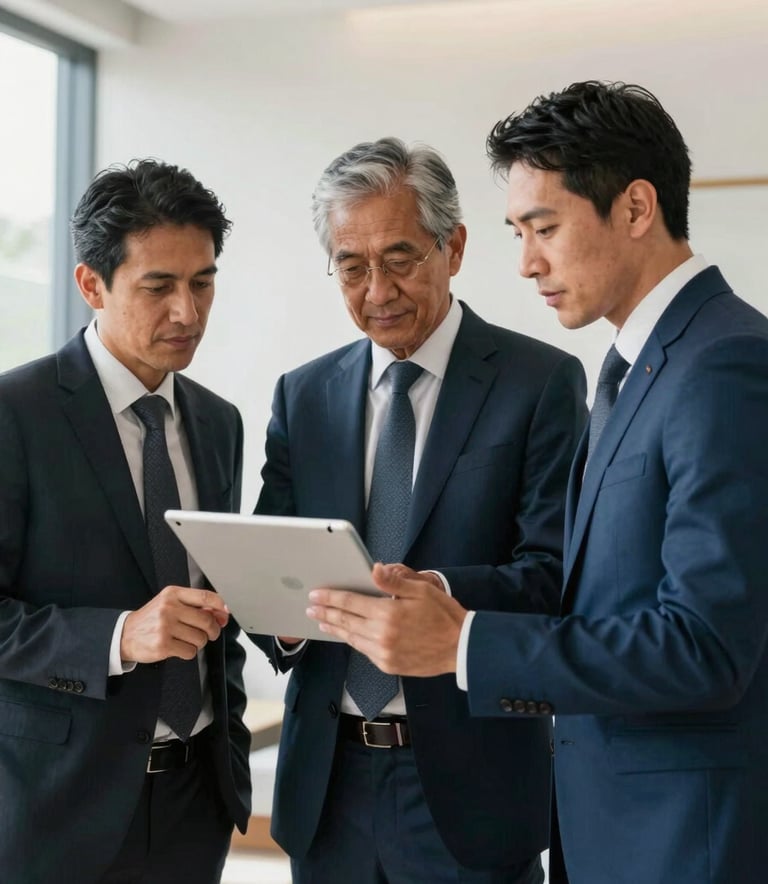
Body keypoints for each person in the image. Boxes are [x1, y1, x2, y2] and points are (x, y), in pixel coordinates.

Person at [307, 83, 768, 884]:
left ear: (634, 208)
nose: (525, 263)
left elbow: (704, 647)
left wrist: (465, 642)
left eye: (545, 228)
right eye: (519, 233)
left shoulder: (723, 363)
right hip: (607, 826)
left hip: (679, 839)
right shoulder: (637, 366)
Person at [249, 136, 587, 884]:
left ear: (454, 246)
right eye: (351, 266)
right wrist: (278, 615)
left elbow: (553, 574)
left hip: (469, 786)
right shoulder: (301, 396)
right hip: (327, 783)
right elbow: (273, 568)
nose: (377, 290)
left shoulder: (541, 384)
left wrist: (431, 595)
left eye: (399, 258)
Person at [0, 159, 251, 883]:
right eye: (158, 286)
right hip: (56, 809)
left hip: (194, 804)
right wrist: (117, 636)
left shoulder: (217, 423)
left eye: (203, 282)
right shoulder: (16, 417)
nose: (188, 312)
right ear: (91, 284)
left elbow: (215, 603)